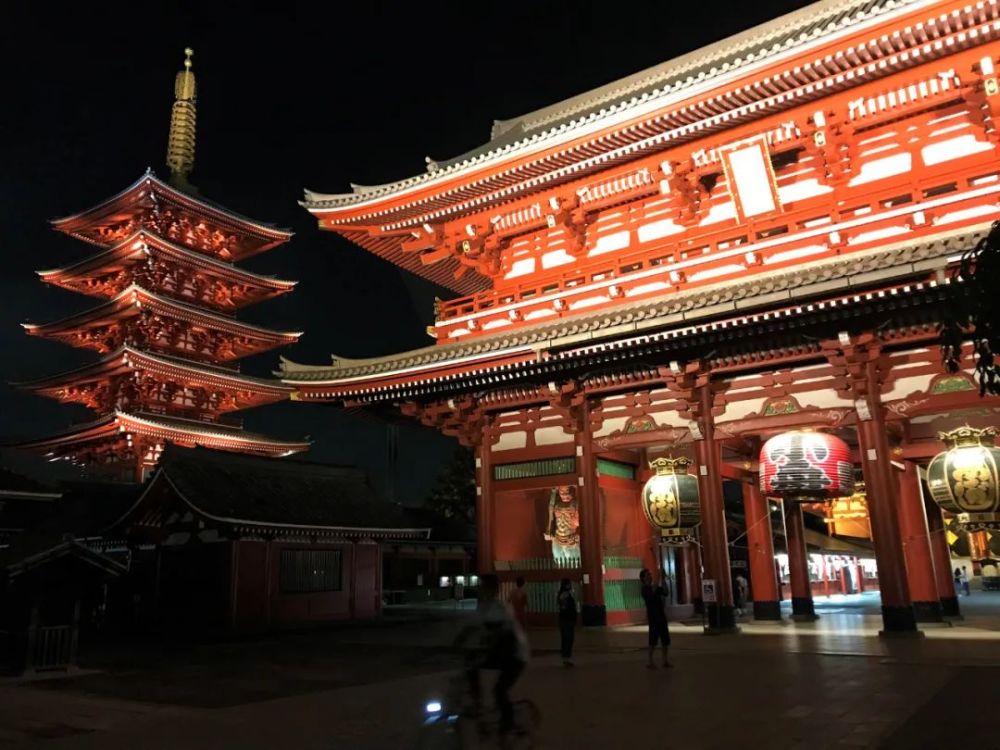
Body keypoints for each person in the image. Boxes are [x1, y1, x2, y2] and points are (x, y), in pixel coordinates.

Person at [458, 574, 529, 732]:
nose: (481, 591)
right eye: (480, 588)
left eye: (484, 588)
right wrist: (457, 643)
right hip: (500, 652)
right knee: (470, 664)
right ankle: (478, 703)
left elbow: (498, 636)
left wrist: (483, 647)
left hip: (515, 655)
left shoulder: (500, 608)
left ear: (493, 590)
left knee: (499, 690)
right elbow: (470, 628)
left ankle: (509, 723)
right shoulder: (482, 607)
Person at [640, 568, 672, 669]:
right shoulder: (645, 589)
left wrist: (663, 579)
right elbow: (653, 590)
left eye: (650, 574)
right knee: (653, 641)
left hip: (661, 616)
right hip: (653, 618)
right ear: (643, 578)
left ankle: (665, 660)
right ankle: (650, 661)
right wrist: (658, 577)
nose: (650, 576)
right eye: (648, 575)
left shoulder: (655, 587)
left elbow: (666, 592)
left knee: (665, 640)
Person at [557, 578, 577, 667]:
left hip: (564, 619)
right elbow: (566, 607)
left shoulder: (562, 594)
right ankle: (566, 658)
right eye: (569, 584)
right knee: (568, 639)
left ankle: (566, 658)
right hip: (567, 620)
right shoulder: (565, 595)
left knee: (566, 639)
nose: (570, 585)